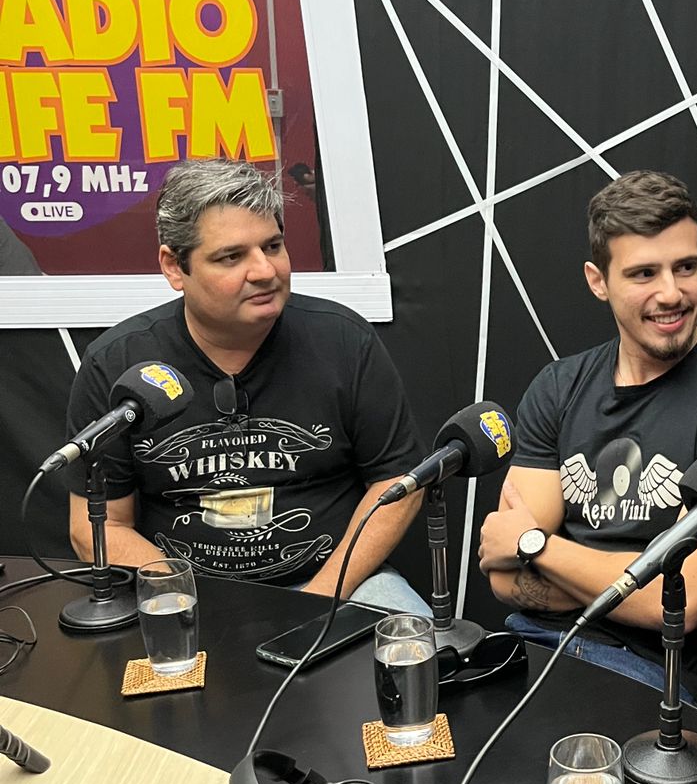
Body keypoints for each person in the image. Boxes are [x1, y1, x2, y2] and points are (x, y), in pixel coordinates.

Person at [478, 169, 697, 721]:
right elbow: (506, 579)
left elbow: (680, 604)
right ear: (597, 280)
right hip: (533, 643)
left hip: (661, 677)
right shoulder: (558, 388)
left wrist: (538, 546)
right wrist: (626, 585)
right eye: (644, 273)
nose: (671, 293)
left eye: (687, 267)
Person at [65, 162, 429, 610]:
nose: (264, 271)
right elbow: (96, 525)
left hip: (334, 583)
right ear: (174, 267)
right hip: (180, 594)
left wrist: (317, 599)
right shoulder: (117, 364)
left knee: (415, 649)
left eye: (273, 246)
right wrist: (189, 599)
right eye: (231, 257)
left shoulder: (344, 341)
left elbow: (398, 483)